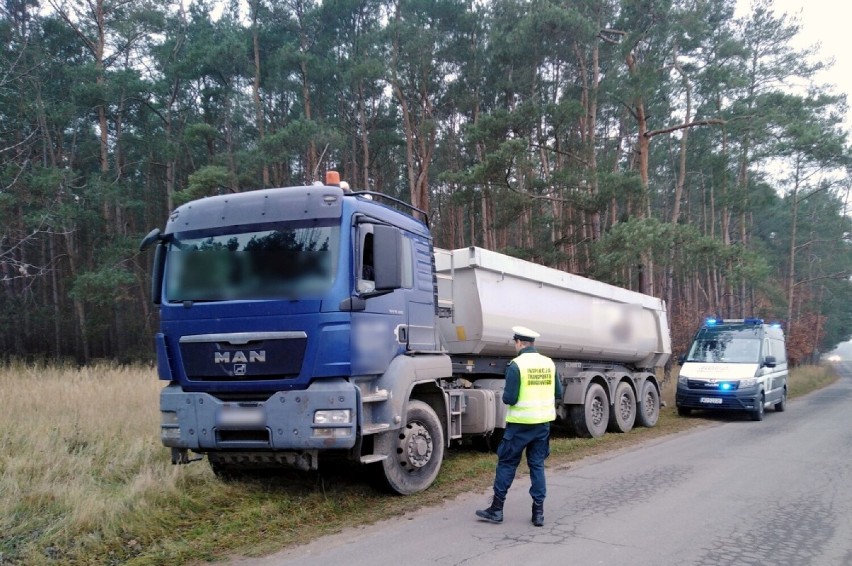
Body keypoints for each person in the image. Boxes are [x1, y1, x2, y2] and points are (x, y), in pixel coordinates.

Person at [475, 326, 563, 527]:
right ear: (532, 343)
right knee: (537, 466)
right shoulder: (549, 363)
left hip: (519, 426)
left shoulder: (516, 365)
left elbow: (510, 398)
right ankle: (538, 513)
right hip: (542, 425)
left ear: (519, 343)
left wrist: (506, 394)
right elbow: (558, 392)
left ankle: (496, 509)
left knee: (507, 464)